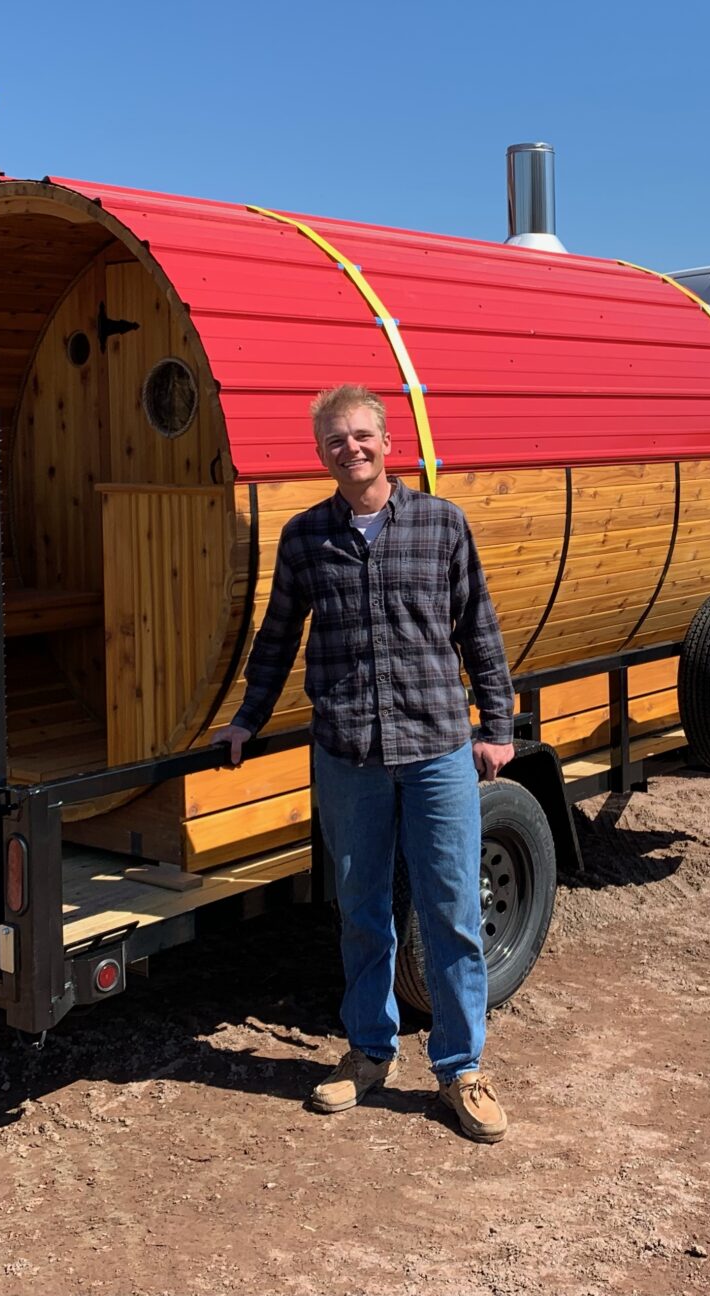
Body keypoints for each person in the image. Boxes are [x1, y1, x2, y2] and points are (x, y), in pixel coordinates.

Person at [215, 384, 517, 1143]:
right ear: (322, 454)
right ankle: (369, 1052)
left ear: (390, 442)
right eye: (335, 440)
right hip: (348, 750)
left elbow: (478, 627)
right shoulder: (305, 538)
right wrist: (247, 718)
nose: (350, 448)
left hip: (437, 746)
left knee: (449, 911)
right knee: (360, 911)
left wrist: (499, 723)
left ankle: (461, 1070)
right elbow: (278, 636)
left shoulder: (442, 525)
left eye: (362, 435)